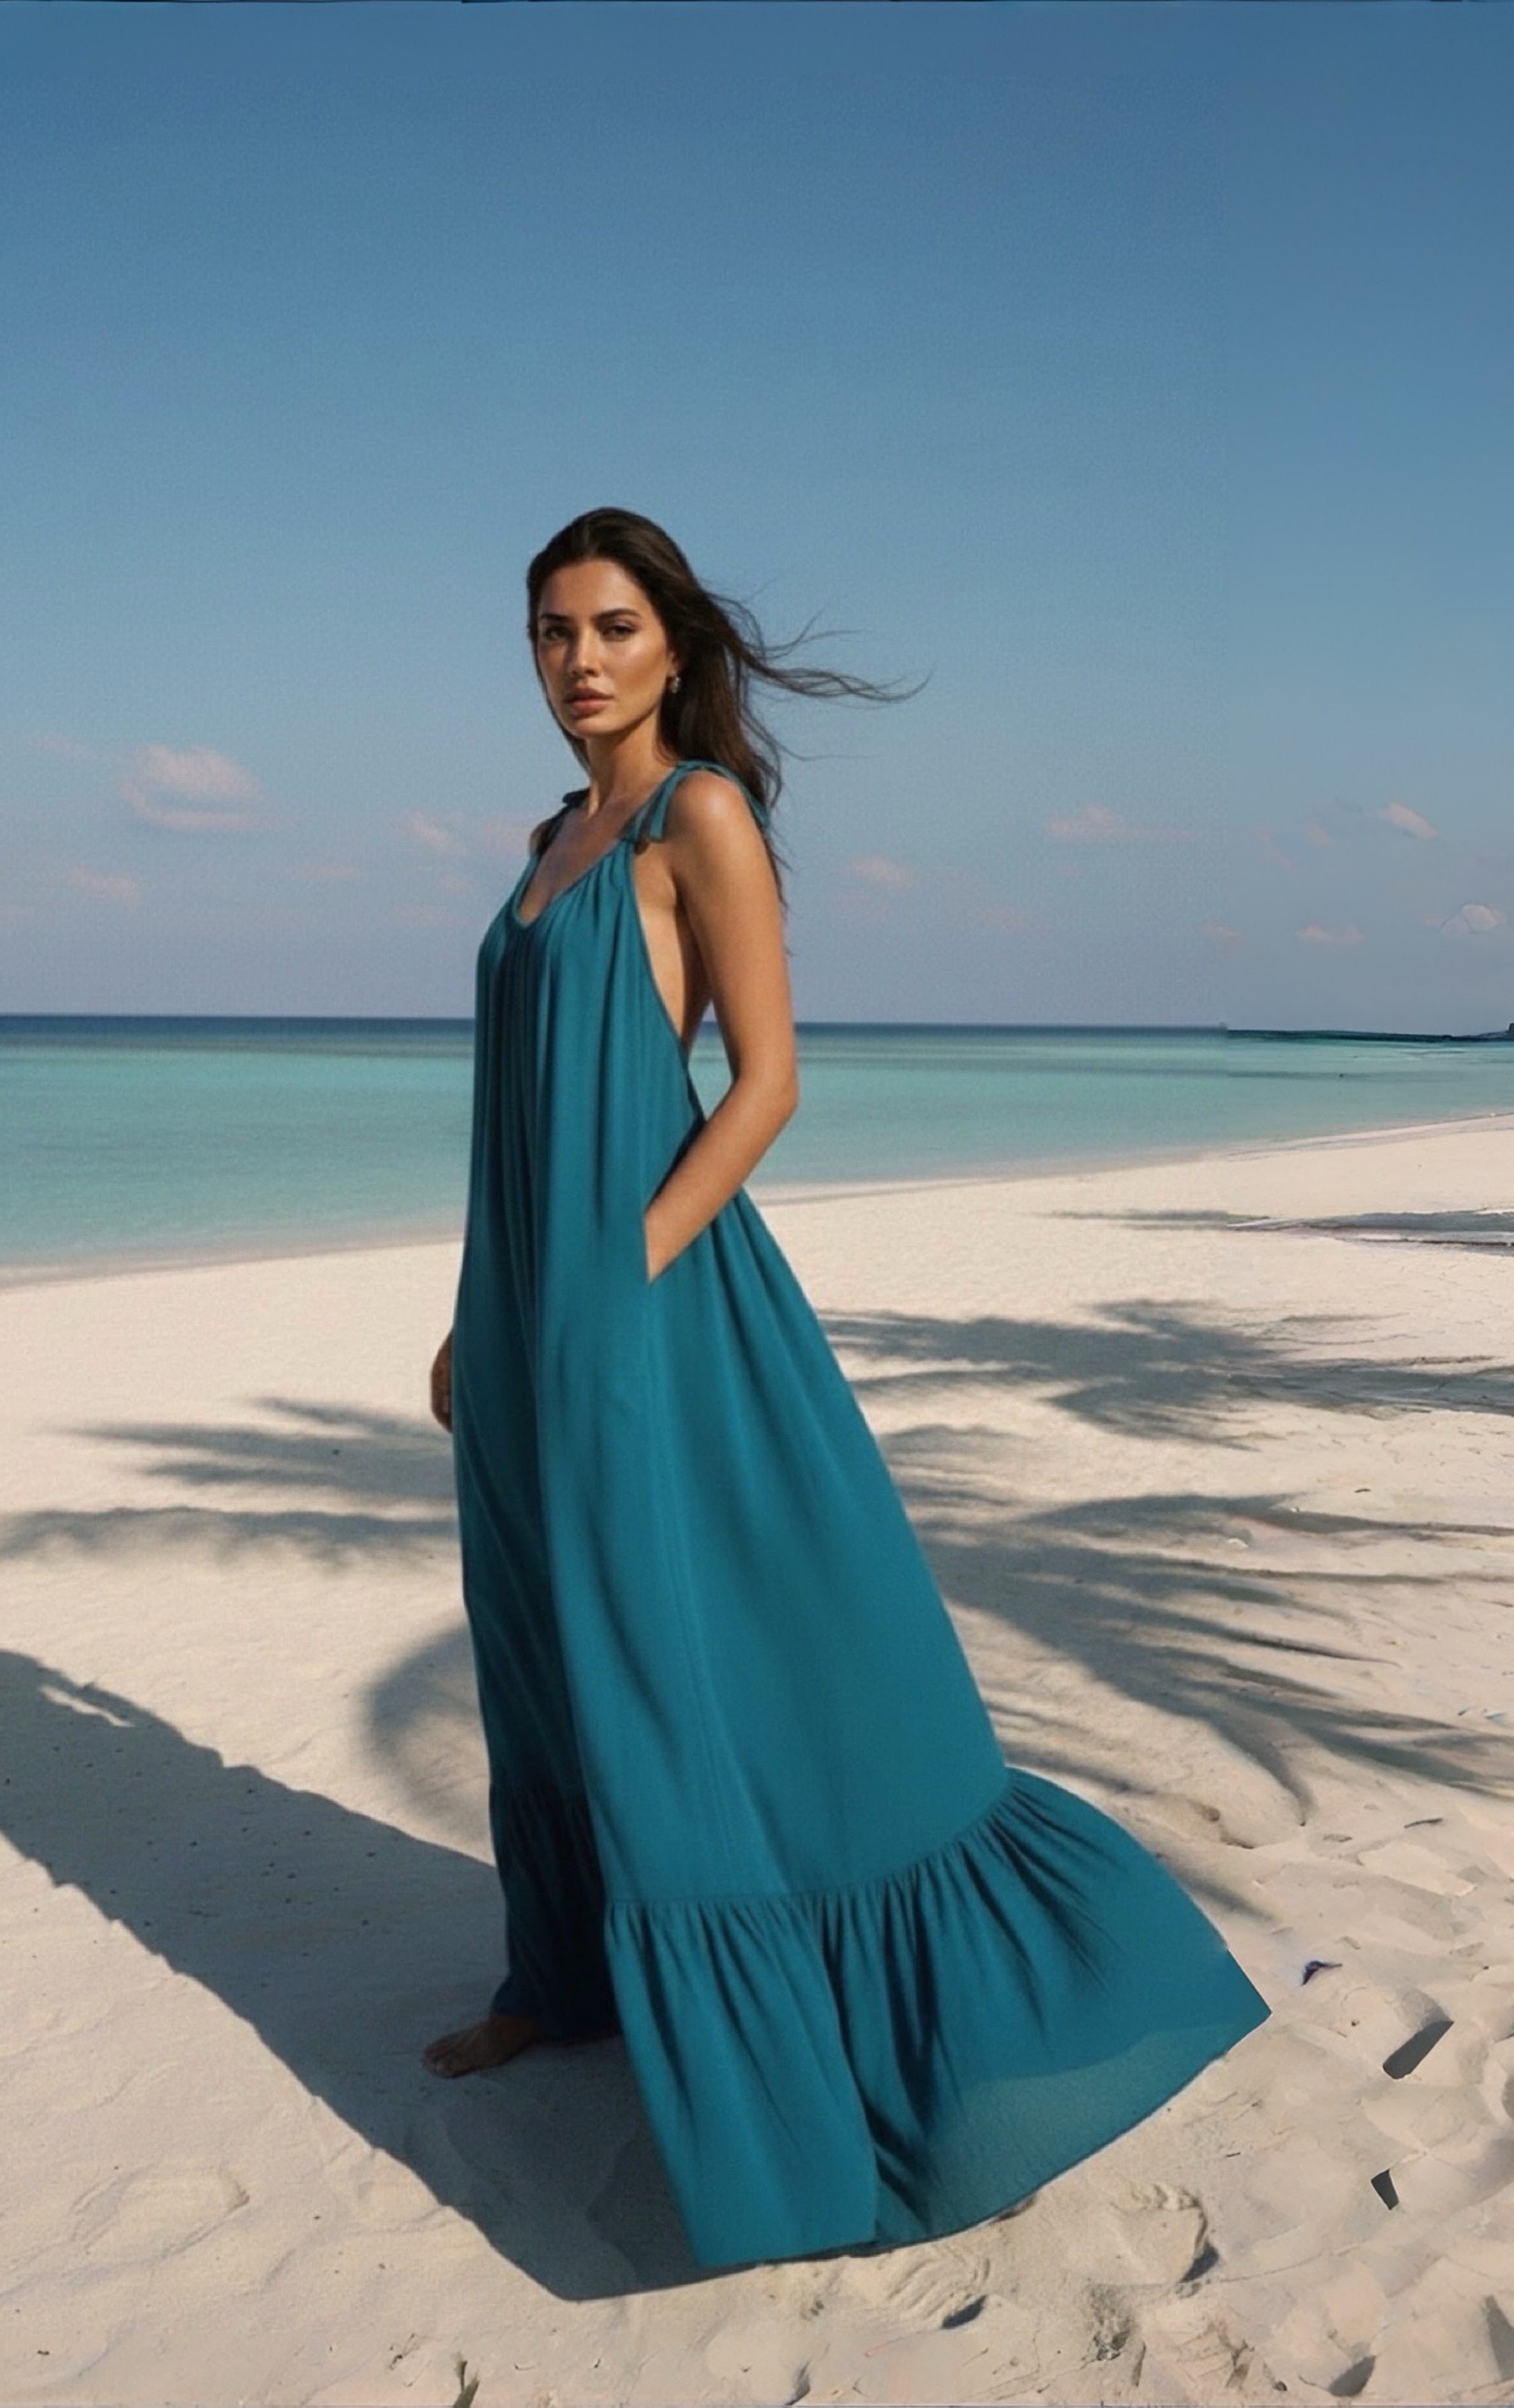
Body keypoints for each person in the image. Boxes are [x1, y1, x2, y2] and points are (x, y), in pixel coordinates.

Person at [421, 507, 1270, 2271]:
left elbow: (764, 1087)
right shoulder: (545, 842)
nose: (575, 660)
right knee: (542, 1644)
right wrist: (476, 1310)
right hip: (525, 1311)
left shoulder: (694, 816)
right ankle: (564, 1982)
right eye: (548, 633)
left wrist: (606, 1276)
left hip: (648, 1303)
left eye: (607, 627)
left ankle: (869, 2041)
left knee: (698, 1653)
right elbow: (513, 1131)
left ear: (672, 646)